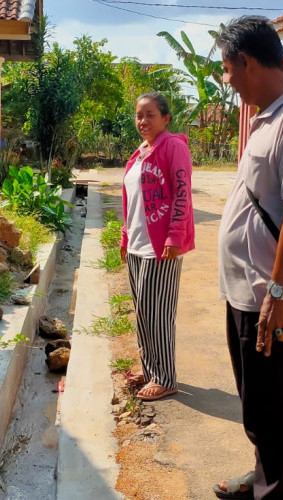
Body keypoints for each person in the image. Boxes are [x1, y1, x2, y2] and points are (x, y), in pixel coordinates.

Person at [214, 17, 283, 500]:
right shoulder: (267, 118)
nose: (226, 79)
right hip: (247, 290)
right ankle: (262, 476)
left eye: (227, 68)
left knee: (272, 401)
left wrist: (278, 293)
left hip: (268, 294)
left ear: (248, 62)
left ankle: (274, 491)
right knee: (255, 399)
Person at [120, 92, 195, 401]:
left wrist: (175, 236)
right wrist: (126, 237)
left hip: (161, 246)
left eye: (150, 115)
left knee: (158, 314)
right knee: (143, 313)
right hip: (138, 245)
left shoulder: (173, 147)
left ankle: (165, 377)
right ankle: (151, 369)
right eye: (139, 115)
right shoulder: (140, 152)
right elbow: (131, 201)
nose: (143, 121)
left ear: (166, 118)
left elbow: (182, 193)